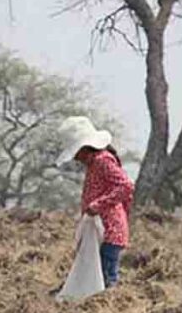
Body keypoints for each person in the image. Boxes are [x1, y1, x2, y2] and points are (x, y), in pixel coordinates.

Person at [56, 116, 134, 287]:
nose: (75, 158)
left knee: (106, 279)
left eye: (75, 153)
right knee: (96, 277)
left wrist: (97, 206)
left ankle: (108, 309)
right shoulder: (94, 163)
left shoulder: (102, 161)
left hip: (109, 231)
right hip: (101, 231)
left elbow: (126, 186)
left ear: (84, 148)